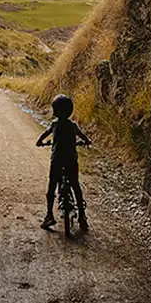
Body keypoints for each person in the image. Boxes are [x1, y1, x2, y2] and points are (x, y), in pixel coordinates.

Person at [35, 94, 91, 231]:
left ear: (55, 110)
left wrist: (40, 142)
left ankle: (49, 215)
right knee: (75, 186)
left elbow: (44, 135)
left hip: (57, 160)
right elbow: (83, 137)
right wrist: (86, 142)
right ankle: (82, 217)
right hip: (71, 160)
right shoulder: (73, 126)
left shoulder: (54, 124)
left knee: (52, 186)